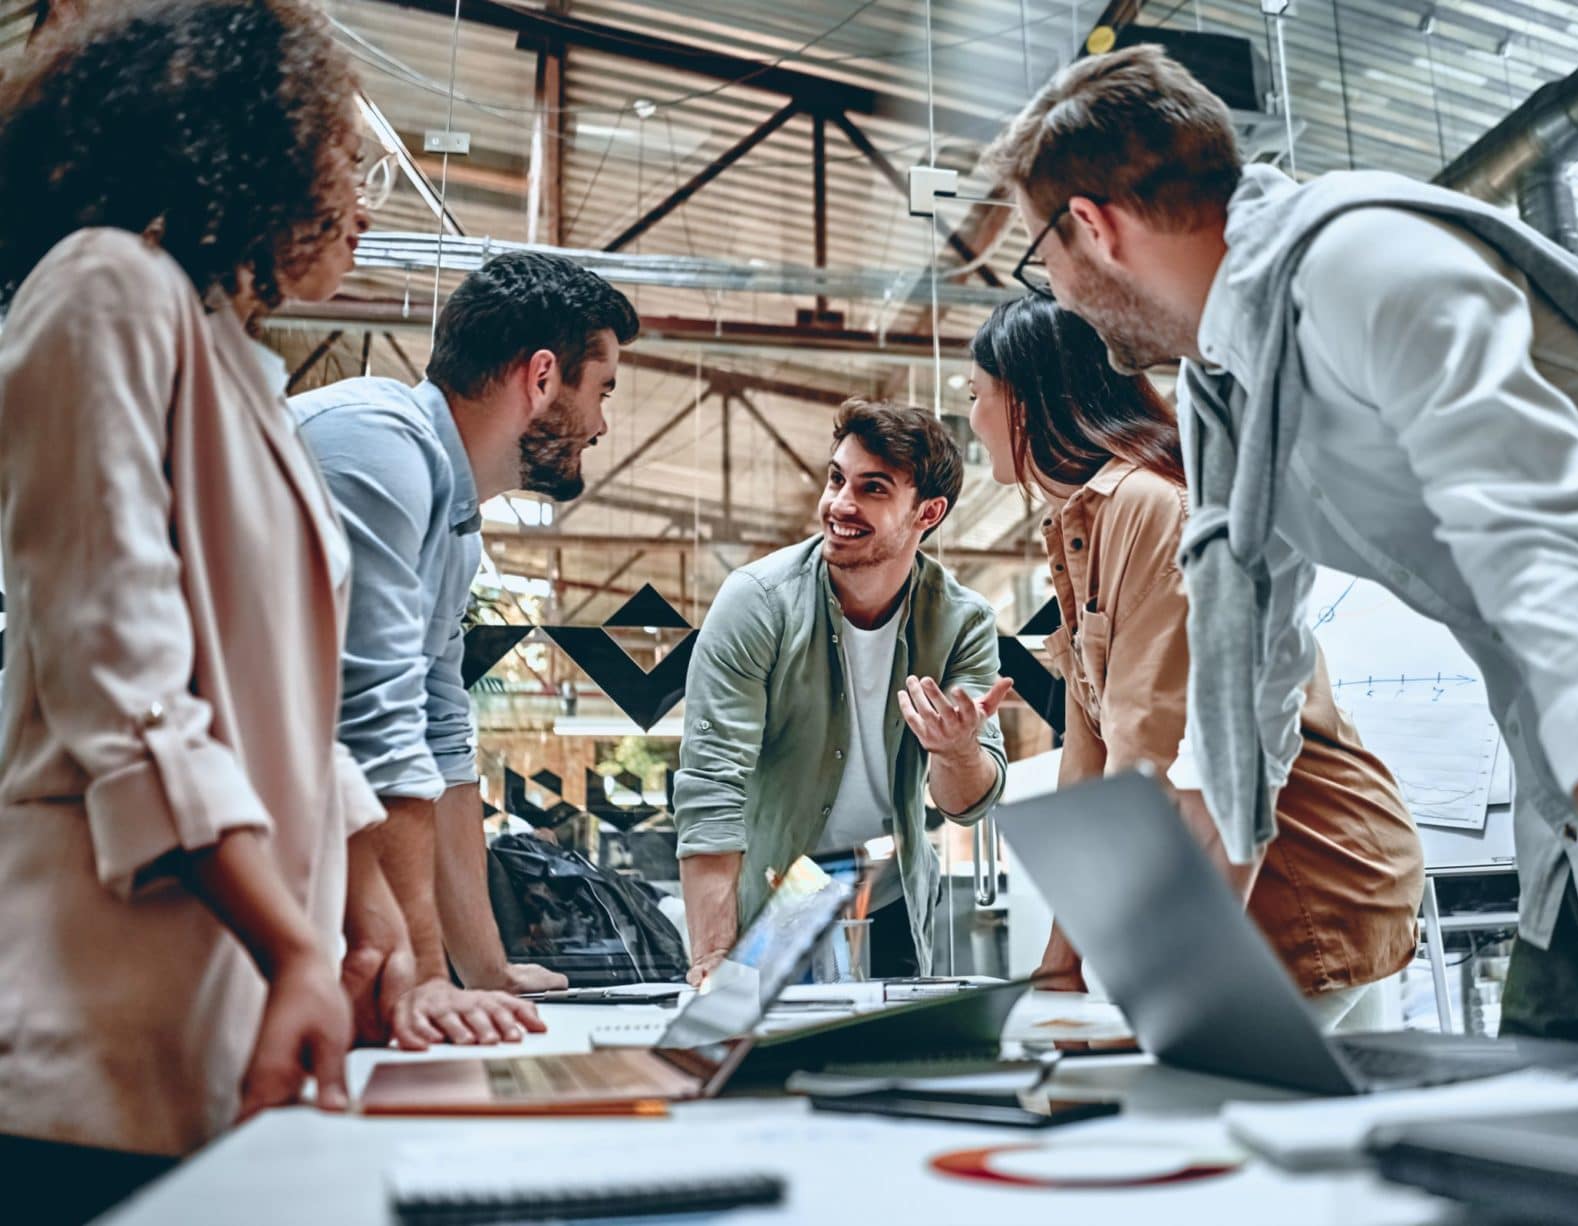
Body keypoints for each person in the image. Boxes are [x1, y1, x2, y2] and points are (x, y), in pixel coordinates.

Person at [981, 44, 1578, 1081]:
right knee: (1538, 1150)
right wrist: (1186, 997)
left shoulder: (1366, 264)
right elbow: (1242, 686)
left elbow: (1559, 577)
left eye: (1044, 257)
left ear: (1093, 227)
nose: (1058, 294)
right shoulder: (1225, 393)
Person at [0, 1, 417, 1214]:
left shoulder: (233, 359)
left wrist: (362, 907)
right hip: (105, 1008)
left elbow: (281, 692)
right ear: (246, 140)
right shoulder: (101, 289)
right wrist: (295, 940)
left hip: (229, 992)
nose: (365, 201)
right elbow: (122, 680)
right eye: (345, 155)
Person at [968, 295, 1425, 1030]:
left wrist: (1108, 962)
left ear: (1023, 402)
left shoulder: (1143, 505)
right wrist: (1059, 964)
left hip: (1309, 878)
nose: (972, 419)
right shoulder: (1081, 523)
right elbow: (1088, 749)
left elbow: (1139, 751)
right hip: (1285, 882)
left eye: (976, 396)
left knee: (1215, 1126)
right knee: (1297, 1133)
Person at [293, 252, 641, 1039]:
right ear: (544, 377)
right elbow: (375, 722)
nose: (601, 425)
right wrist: (419, 976)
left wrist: (482, 968)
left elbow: (441, 733)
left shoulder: (454, 523)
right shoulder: (377, 444)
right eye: (603, 389)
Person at [674, 398, 1011, 983]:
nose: (839, 505)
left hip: (891, 894)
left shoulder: (963, 621)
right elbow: (711, 784)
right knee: (771, 1067)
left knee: (895, 1066)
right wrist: (711, 956)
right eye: (837, 478)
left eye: (872, 488)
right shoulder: (758, 601)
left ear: (926, 513)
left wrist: (956, 751)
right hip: (779, 896)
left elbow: (966, 803)